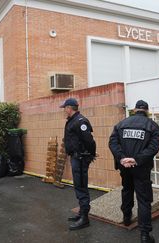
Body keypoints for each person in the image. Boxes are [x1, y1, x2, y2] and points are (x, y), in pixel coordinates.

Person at [109, 100, 159, 243]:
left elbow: (113, 143)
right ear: (147, 111)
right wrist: (136, 160)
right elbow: (153, 148)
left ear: (134, 110)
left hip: (125, 167)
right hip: (141, 168)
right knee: (143, 200)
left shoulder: (121, 124)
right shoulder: (153, 126)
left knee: (127, 190)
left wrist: (122, 158)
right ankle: (144, 235)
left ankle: (126, 218)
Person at [61, 98, 96, 230]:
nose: (64, 110)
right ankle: (82, 213)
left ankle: (85, 218)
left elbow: (89, 141)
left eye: (65, 108)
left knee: (81, 186)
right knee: (78, 186)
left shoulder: (80, 121)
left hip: (80, 159)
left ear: (69, 108)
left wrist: (90, 155)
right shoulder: (73, 120)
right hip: (76, 158)